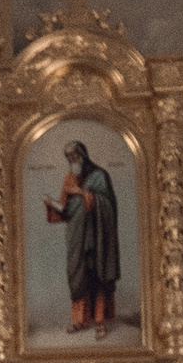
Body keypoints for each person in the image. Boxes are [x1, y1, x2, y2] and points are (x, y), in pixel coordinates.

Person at [45, 139, 121, 330]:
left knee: (98, 274)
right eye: (69, 157)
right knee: (78, 276)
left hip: (97, 237)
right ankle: (80, 320)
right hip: (76, 236)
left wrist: (82, 193)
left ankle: (100, 321)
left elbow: (108, 205)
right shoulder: (69, 178)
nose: (73, 160)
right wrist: (53, 206)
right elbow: (65, 210)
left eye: (75, 156)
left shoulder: (100, 176)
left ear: (84, 155)